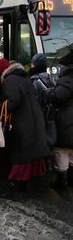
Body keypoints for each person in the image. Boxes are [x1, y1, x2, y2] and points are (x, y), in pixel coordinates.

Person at [0, 63, 49, 199]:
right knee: (31, 152)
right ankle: (28, 186)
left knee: (21, 153)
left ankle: (17, 189)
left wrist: (0, 106)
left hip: (22, 122)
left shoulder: (9, 81)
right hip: (34, 119)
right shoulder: (25, 79)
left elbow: (14, 100)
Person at [45, 51, 73, 193]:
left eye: (60, 65)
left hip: (66, 119)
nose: (59, 67)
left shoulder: (67, 79)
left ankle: (61, 183)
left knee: (61, 151)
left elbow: (59, 96)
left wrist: (50, 92)